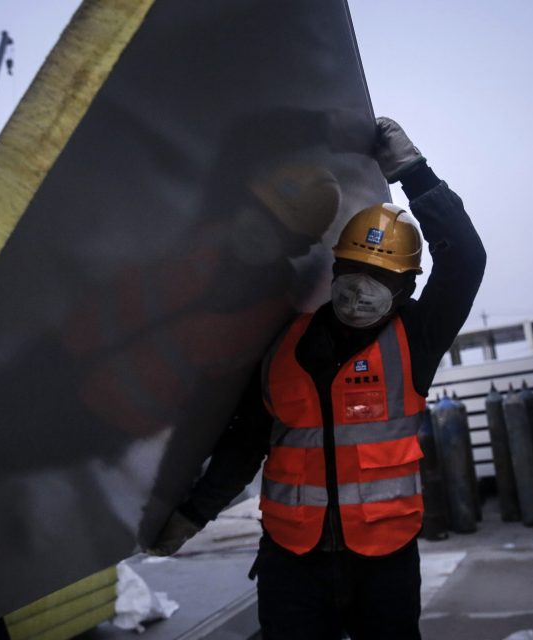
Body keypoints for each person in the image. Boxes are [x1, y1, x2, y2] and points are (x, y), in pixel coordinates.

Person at [147, 117, 486, 639]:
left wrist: (412, 172)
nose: (362, 290)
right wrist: (194, 513)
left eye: (382, 278)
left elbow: (465, 259)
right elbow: (247, 442)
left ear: (406, 287)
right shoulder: (284, 343)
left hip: (384, 561)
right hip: (291, 560)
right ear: (334, 267)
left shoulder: (416, 338)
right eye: (354, 271)